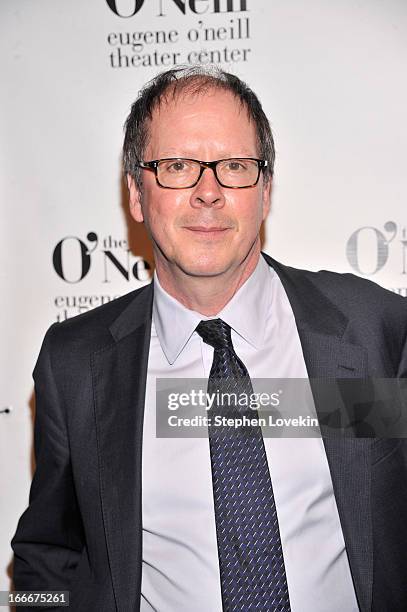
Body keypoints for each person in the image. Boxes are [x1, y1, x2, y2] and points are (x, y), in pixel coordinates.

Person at [12, 66, 407, 612]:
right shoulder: (75, 364)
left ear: (265, 191)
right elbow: (47, 559)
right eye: (177, 167)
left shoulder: (376, 332)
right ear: (135, 193)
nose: (209, 192)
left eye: (235, 167)